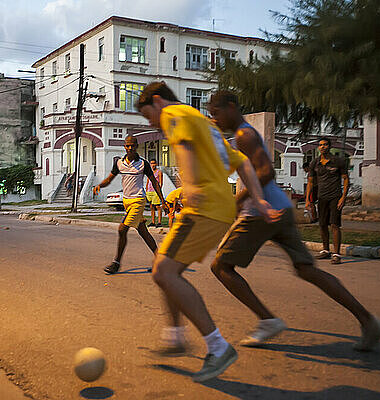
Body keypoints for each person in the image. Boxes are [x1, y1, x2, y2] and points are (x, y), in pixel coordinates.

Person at [207, 91, 380, 351]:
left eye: (216, 113)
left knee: (221, 267)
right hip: (280, 207)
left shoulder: (245, 135)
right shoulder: (241, 135)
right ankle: (368, 321)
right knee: (306, 269)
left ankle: (268, 320)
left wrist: (237, 201)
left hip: (260, 213)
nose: (215, 119)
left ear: (232, 107)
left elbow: (265, 171)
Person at [136, 82, 280, 382]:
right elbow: (243, 164)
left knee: (164, 272)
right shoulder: (203, 122)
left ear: (158, 101)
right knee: (165, 266)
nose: (150, 122)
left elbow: (186, 147)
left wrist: (188, 186)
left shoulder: (173, 115)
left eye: (147, 114)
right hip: (218, 208)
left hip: (203, 206)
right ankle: (175, 337)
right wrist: (261, 200)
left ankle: (218, 347)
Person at [93, 135, 168, 274]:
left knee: (122, 229)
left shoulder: (143, 163)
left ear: (136, 146)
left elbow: (154, 182)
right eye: (127, 145)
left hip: (138, 200)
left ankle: (116, 263)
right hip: (127, 201)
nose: (130, 148)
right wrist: (99, 185)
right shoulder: (119, 163)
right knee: (143, 232)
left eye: (132, 145)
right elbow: (109, 179)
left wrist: (162, 200)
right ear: (124, 147)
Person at [305, 138, 349, 265]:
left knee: (335, 224)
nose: (322, 147)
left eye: (325, 145)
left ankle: (336, 254)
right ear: (318, 147)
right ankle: (325, 250)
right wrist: (308, 199)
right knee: (322, 224)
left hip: (335, 197)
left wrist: (343, 197)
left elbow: (345, 179)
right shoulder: (315, 163)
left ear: (329, 146)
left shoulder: (338, 161)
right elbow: (310, 182)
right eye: (320, 145)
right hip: (321, 197)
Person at [146, 159, 164, 227]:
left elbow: (161, 183)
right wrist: (147, 189)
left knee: (158, 206)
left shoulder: (159, 172)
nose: (153, 165)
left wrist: (159, 190)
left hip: (155, 191)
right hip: (149, 191)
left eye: (154, 163)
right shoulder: (149, 172)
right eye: (151, 163)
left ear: (156, 164)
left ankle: (159, 222)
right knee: (151, 207)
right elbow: (148, 181)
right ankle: (153, 221)